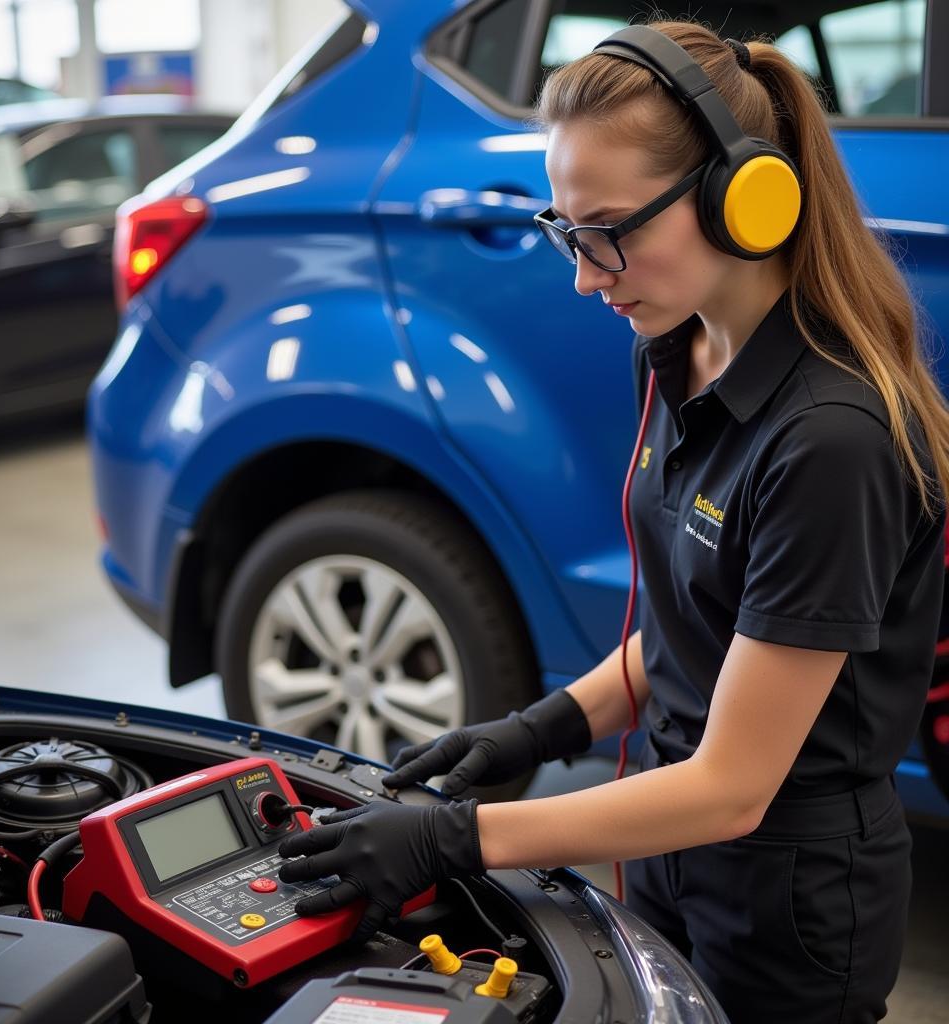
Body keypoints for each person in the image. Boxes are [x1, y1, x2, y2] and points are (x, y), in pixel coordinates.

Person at [278, 20, 949, 1023]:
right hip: (669, 849)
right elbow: (698, 619)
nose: (586, 276)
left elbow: (732, 785)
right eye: (566, 232)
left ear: (745, 203)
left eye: (609, 231)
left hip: (788, 902)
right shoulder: (676, 357)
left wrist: (457, 836)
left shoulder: (832, 441)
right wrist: (538, 726)